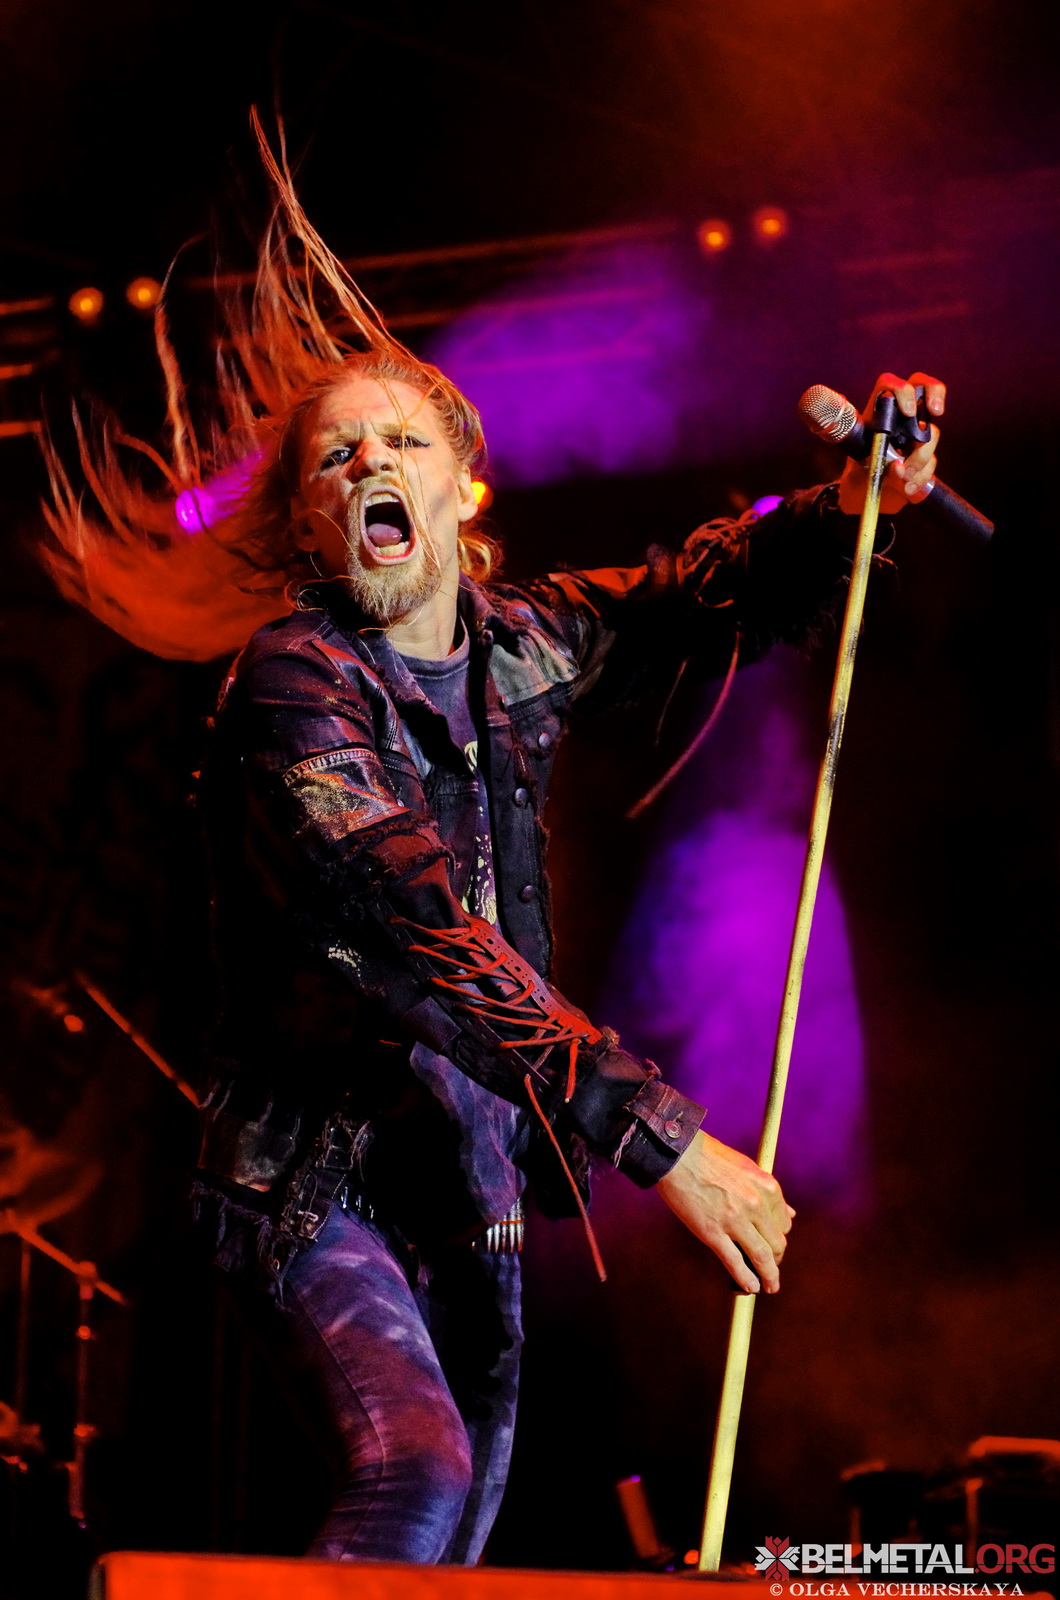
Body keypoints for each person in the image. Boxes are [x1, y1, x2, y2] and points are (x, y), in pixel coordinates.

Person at [41, 126, 944, 1566]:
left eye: (401, 441)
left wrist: (851, 510)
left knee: (458, 1530)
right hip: (316, 1178)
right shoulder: (291, 688)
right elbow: (419, 932)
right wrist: (665, 1141)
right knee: (416, 1473)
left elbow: (691, 594)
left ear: (459, 489)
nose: (369, 463)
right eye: (337, 457)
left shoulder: (522, 643)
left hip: (468, 1176)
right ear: (311, 523)